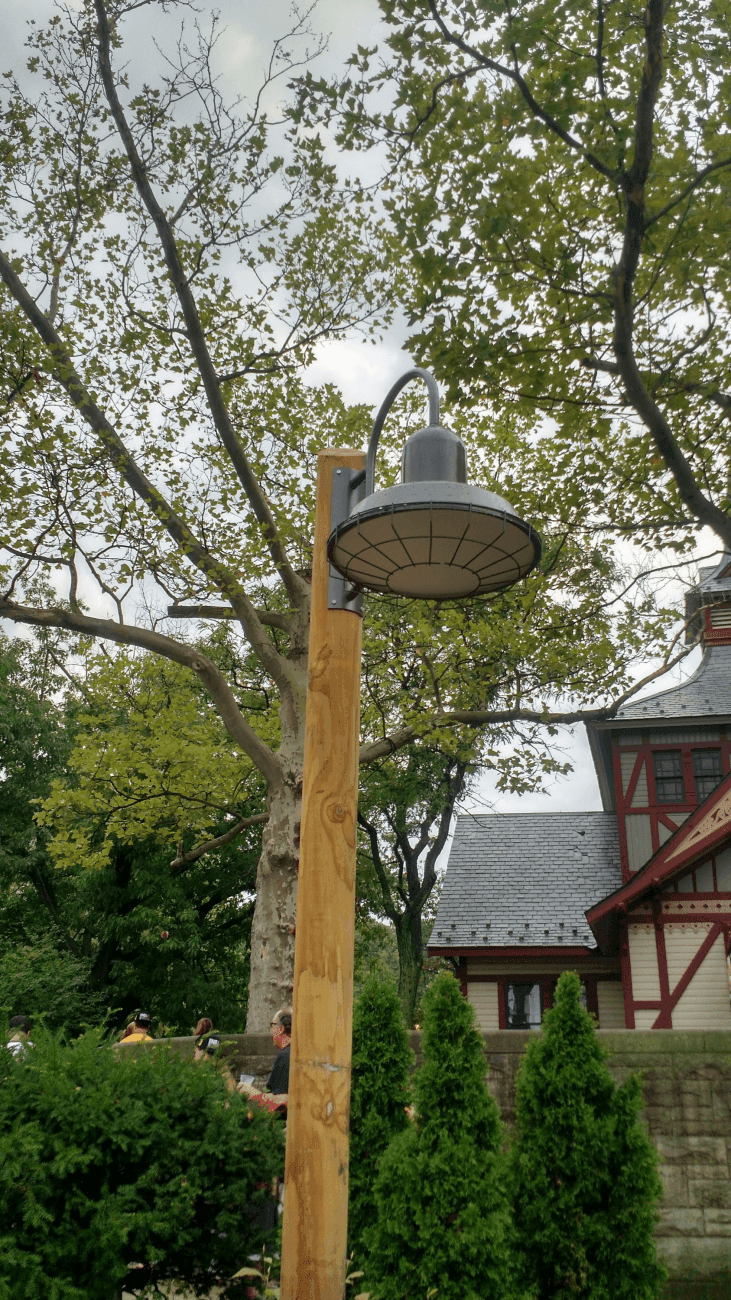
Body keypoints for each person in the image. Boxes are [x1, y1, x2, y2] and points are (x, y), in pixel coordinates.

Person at [238, 1006, 291, 1114]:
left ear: (281, 1029)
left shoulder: (285, 1056)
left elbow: (279, 1105)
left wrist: (252, 1092)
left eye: (272, 1025)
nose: (271, 1031)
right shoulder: (294, 1053)